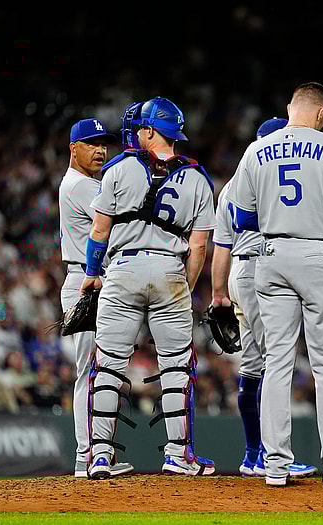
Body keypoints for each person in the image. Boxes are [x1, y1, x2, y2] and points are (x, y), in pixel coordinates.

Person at [228, 82, 323, 488]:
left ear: (290, 108)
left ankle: (274, 465)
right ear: (322, 114)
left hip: (272, 255)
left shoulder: (256, 150)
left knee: (277, 363)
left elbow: (242, 217)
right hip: (319, 254)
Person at [80, 97, 216, 479]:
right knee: (176, 367)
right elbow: (201, 245)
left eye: (142, 127)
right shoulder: (198, 178)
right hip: (171, 270)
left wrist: (92, 272)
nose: (136, 132)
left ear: (151, 131)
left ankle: (100, 456)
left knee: (107, 365)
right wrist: (183, 286)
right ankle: (178, 455)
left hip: (122, 270)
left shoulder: (118, 169)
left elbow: (99, 231)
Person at [211, 117, 317, 479]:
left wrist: (219, 292)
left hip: (242, 271)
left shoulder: (230, 188)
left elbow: (220, 246)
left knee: (254, 367)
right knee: (277, 361)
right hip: (260, 271)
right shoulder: (267, 182)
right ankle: (274, 456)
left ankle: (253, 455)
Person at [58, 118, 134, 478]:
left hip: (92, 279)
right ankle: (88, 455)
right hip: (86, 283)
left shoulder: (88, 183)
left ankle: (94, 454)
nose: (101, 149)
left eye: (104, 143)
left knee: (99, 372)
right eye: (91, 143)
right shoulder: (81, 186)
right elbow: (118, 224)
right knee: (90, 373)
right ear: (74, 148)